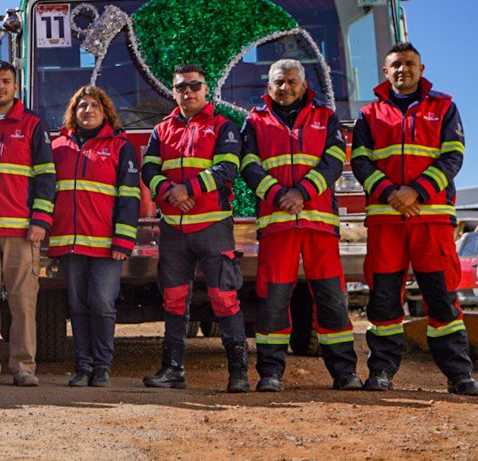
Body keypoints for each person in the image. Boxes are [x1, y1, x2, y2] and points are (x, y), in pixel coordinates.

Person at [352, 42, 477, 395]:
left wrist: (416, 192)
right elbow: (360, 162)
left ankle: (459, 376)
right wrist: (392, 194)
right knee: (383, 300)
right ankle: (381, 373)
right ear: (385, 72)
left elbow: (453, 157)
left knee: (442, 299)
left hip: (431, 220)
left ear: (421, 69)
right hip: (386, 221)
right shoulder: (369, 114)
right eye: (396, 65)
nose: (402, 70)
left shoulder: (445, 107)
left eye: (409, 64)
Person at [240, 60, 361, 391]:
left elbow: (335, 161)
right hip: (277, 224)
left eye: (292, 80)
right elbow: (248, 165)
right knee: (273, 300)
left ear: (304, 84)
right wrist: (280, 195)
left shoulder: (326, 117)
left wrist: (303, 192)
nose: (286, 86)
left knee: (332, 299)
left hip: (319, 225)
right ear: (269, 87)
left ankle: (345, 373)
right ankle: (270, 373)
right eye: (279, 81)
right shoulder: (254, 121)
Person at [141, 64, 247, 392]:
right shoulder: (161, 130)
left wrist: (189, 189)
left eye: (194, 86)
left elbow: (229, 167)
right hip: (173, 228)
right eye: (181, 87)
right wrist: (168, 192)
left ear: (206, 89)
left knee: (224, 299)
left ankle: (238, 374)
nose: (188, 92)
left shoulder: (223, 126)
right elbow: (147, 167)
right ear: (173, 92)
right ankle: (172, 370)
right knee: (173, 300)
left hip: (213, 227)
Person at [0, 61, 56, 387]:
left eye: (6, 81)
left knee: (22, 303)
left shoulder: (33, 124)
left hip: (21, 231)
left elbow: (47, 177)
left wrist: (41, 220)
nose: (0, 86)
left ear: (16, 87)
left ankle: (23, 367)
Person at [48, 85, 140, 388]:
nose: (88, 111)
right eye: (82, 106)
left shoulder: (120, 146)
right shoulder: (58, 146)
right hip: (69, 243)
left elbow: (129, 197)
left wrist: (123, 241)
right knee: (77, 306)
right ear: (74, 112)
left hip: (105, 245)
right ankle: (83, 367)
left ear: (105, 112)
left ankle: (102, 367)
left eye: (94, 106)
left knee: (101, 303)